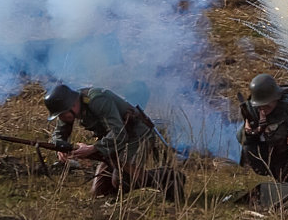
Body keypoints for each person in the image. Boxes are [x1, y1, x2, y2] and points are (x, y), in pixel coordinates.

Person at [44, 83, 185, 202]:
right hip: (112, 143)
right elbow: (59, 134)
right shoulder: (67, 109)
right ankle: (117, 201)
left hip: (136, 137)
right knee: (99, 192)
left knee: (122, 181)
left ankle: (170, 177)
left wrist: (93, 148)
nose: (61, 118)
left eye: (62, 114)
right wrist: (60, 147)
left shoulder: (97, 100)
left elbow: (119, 133)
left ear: (73, 105)